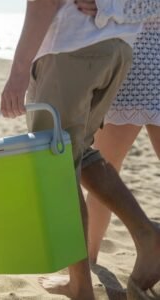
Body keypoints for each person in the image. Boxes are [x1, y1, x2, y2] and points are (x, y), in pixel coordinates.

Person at [0, 0, 160, 299]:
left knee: (55, 166)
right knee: (79, 154)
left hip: (72, 48)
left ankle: (81, 285)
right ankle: (146, 234)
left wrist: (19, 71)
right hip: (119, 48)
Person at [75, 2, 160, 265]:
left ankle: (88, 261)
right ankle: (88, 260)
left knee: (103, 172)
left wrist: (106, 6)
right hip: (130, 71)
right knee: (104, 172)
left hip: (134, 70)